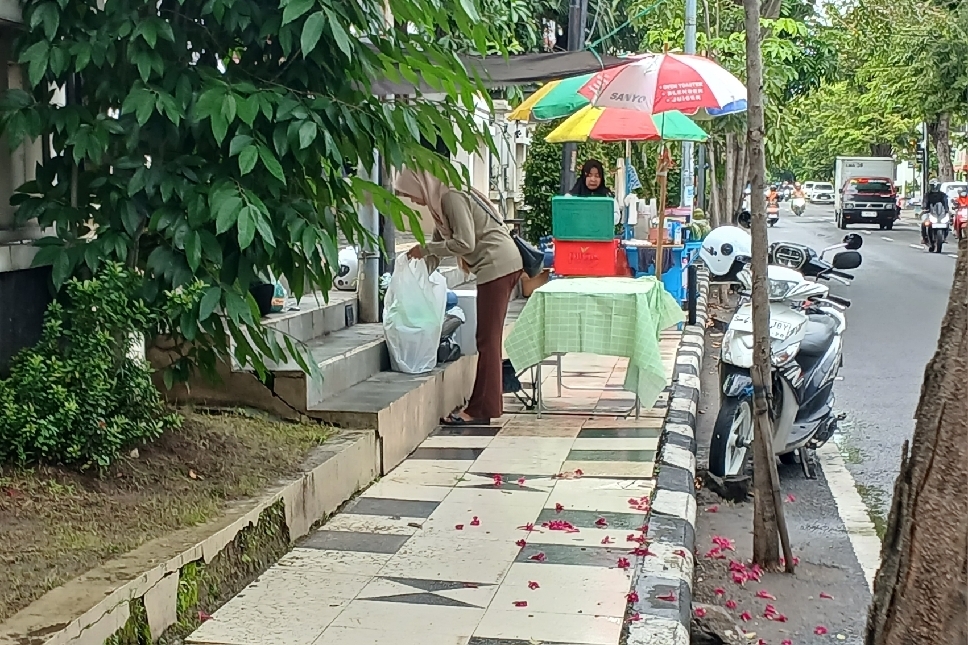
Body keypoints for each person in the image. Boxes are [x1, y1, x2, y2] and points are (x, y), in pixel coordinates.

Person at [394, 168, 523, 426]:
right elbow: (437, 247)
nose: (414, 201)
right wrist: (415, 273)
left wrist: (425, 250)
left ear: (422, 185)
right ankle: (486, 404)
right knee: (487, 338)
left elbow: (465, 244)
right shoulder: (439, 204)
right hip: (495, 266)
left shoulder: (450, 197)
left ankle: (480, 410)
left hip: (498, 265)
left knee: (487, 339)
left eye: (411, 195)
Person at [922, 180, 948, 244]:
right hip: (929, 212)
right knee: (924, 222)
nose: (935, 188)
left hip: (939, 213)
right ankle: (924, 237)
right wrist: (924, 208)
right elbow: (925, 203)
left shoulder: (942, 195)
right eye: (933, 186)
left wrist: (946, 210)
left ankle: (944, 237)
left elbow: (945, 203)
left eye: (936, 186)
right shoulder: (927, 195)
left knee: (947, 222)